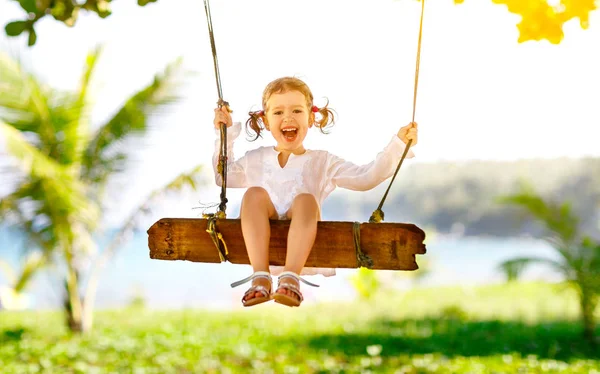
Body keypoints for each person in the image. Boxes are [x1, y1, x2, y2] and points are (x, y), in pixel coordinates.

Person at [213, 77, 418, 308]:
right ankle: (260, 277)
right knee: (254, 195)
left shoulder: (322, 161)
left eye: (297, 110)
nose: (288, 117)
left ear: (311, 118)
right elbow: (223, 176)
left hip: (303, 235)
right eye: (278, 112)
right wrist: (225, 133)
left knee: (306, 200)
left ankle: (290, 278)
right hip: (259, 231)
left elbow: (365, 178)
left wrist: (399, 145)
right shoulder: (255, 159)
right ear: (266, 121)